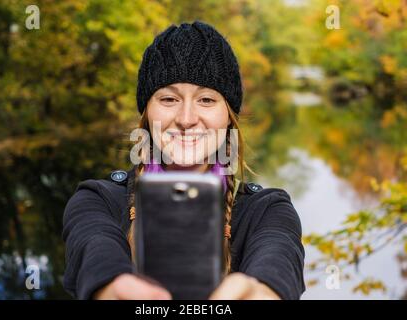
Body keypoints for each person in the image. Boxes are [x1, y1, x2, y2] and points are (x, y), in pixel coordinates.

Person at [62, 21, 305, 300]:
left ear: (229, 117)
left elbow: (278, 254)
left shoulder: (267, 211)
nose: (186, 119)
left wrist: (263, 290)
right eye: (168, 99)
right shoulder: (97, 200)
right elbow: (94, 247)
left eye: (206, 100)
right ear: (146, 113)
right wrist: (110, 289)